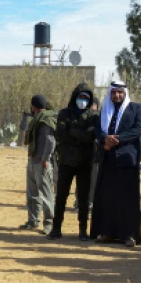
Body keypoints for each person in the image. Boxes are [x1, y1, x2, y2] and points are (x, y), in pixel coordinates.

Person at [90, 82, 141, 247]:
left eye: (120, 92)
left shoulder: (136, 108)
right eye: (114, 93)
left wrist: (115, 139)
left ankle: (129, 235)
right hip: (107, 158)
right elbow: (98, 130)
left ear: (125, 93)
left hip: (127, 159)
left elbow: (137, 129)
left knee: (128, 198)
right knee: (107, 197)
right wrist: (104, 139)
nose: (117, 96)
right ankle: (107, 232)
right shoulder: (105, 110)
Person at [49, 84, 97, 241]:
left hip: (85, 161)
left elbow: (91, 137)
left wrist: (72, 132)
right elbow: (60, 134)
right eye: (80, 97)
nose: (83, 100)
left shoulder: (93, 116)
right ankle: (56, 228)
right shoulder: (64, 113)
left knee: (83, 198)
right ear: (74, 97)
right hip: (66, 161)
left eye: (86, 98)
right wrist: (81, 134)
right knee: (61, 195)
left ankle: (83, 230)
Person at [20, 95, 57, 234]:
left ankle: (49, 224)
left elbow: (51, 141)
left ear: (33, 107)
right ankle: (33, 220)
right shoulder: (36, 120)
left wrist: (46, 159)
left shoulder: (46, 120)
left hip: (42, 162)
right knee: (32, 193)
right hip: (33, 160)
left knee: (46, 194)